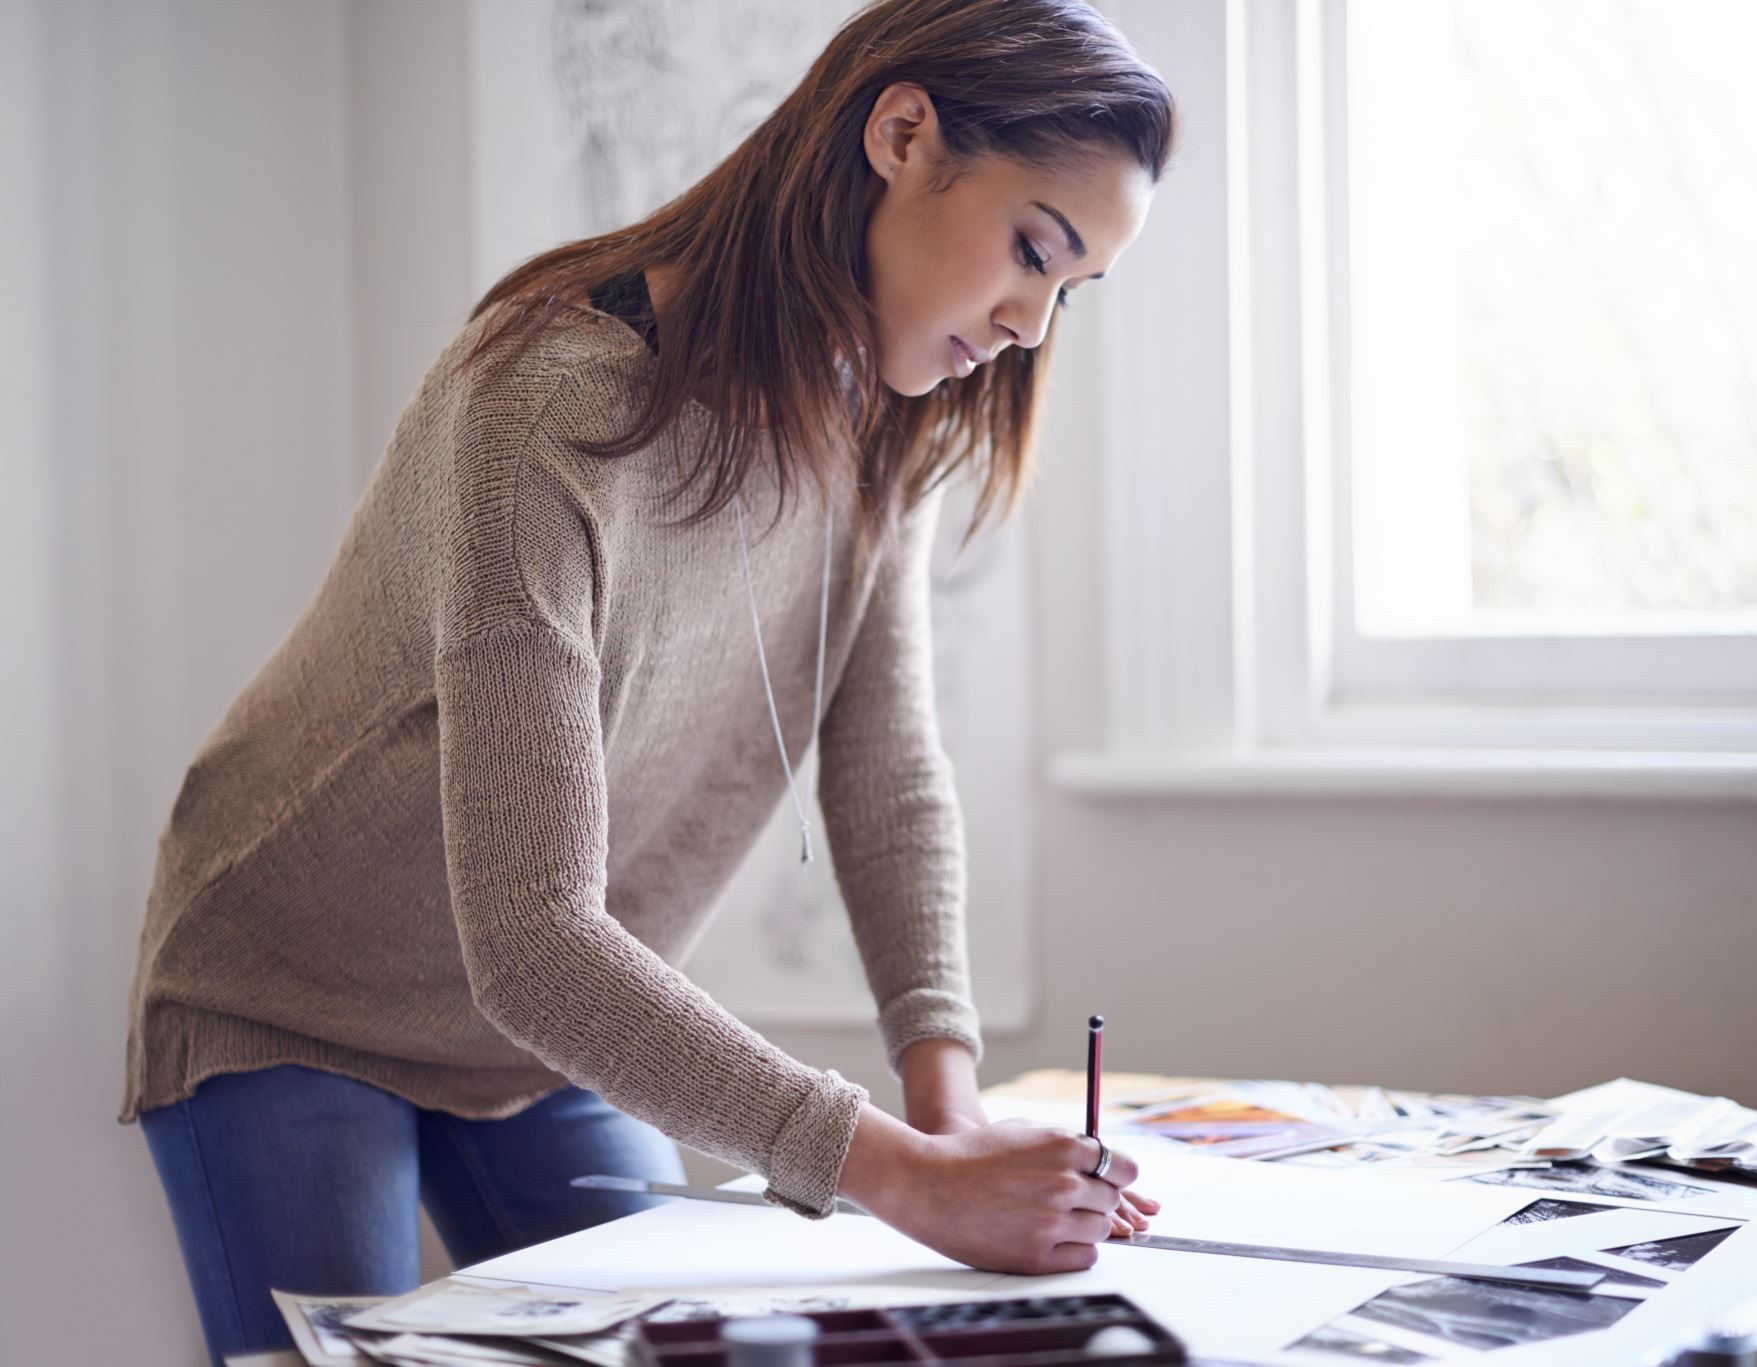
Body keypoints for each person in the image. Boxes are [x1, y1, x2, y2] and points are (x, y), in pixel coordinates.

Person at [119, 0, 1176, 1360]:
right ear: (901, 135)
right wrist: (908, 1180)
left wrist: (948, 1103)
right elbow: (535, 938)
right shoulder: (545, 407)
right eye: (1035, 248)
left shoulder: (881, 422)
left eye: (1071, 288)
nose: (1034, 323)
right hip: (294, 992)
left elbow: (888, 771)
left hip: (537, 1031)